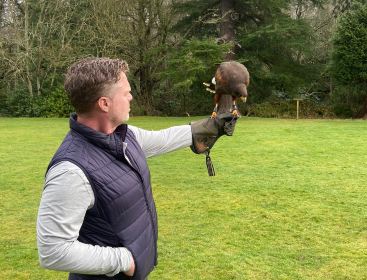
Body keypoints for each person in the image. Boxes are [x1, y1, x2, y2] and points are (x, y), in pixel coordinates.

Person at [36, 57, 235, 280]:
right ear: (104, 103)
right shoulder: (70, 171)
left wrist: (209, 126)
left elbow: (161, 139)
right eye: (126, 92)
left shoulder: (123, 136)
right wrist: (125, 261)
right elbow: (53, 250)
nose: (131, 97)